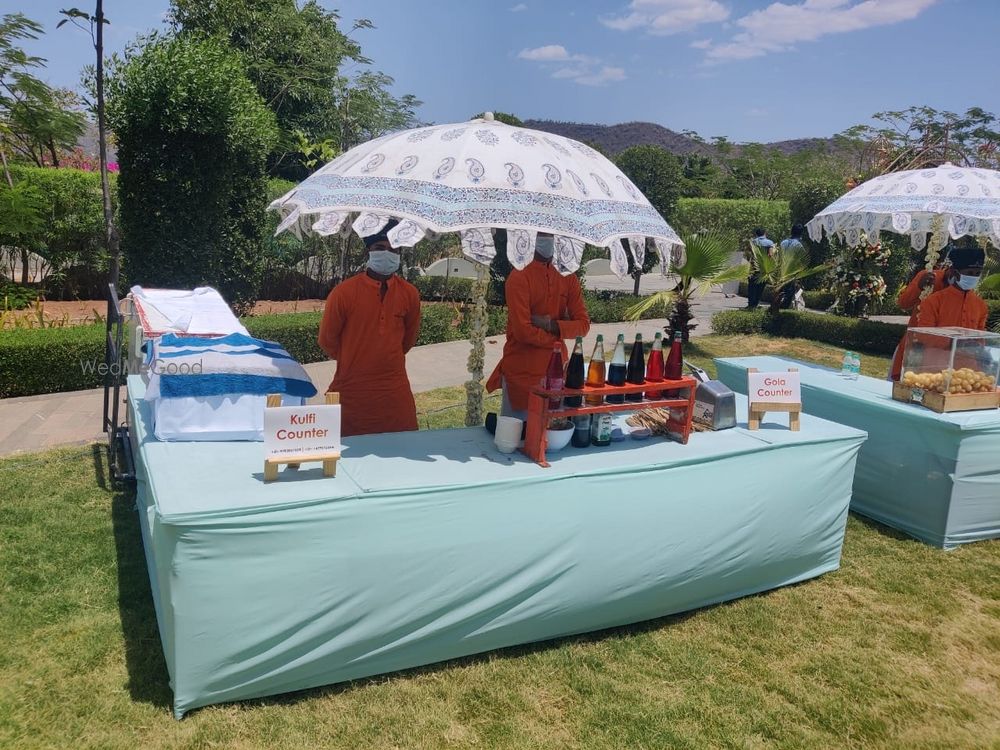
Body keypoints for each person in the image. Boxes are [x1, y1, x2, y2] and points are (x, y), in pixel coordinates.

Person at [318, 221, 422, 436]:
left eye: (394, 249)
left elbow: (408, 340)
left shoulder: (409, 293)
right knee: (347, 455)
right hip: (352, 388)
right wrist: (355, 358)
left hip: (394, 388)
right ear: (369, 251)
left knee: (402, 448)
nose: (388, 254)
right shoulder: (344, 293)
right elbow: (327, 340)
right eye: (380, 248)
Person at [486, 233, 591, 421]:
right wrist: (559, 335)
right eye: (542, 234)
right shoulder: (519, 276)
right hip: (522, 373)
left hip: (558, 372)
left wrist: (550, 324)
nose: (547, 238)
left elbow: (583, 326)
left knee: (552, 433)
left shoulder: (568, 277)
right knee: (517, 436)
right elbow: (523, 332)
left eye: (551, 234)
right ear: (531, 237)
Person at [888, 256, 950, 381]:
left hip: (943, 359)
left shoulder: (969, 295)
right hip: (914, 348)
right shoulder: (929, 276)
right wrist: (919, 286)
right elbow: (903, 303)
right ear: (951, 268)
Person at [745, 228, 775, 310]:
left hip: (754, 268)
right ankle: (755, 304)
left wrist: (750, 262)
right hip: (764, 269)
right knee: (760, 287)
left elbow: (748, 254)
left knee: (752, 286)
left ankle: (751, 304)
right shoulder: (769, 243)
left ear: (756, 234)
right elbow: (770, 255)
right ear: (765, 233)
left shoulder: (753, 242)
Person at [777, 224, 806, 309]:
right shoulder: (799, 245)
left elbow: (779, 256)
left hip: (781, 270)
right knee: (789, 292)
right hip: (792, 272)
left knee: (780, 290)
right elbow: (802, 260)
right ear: (801, 234)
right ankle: (784, 309)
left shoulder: (783, 242)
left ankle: (778, 307)